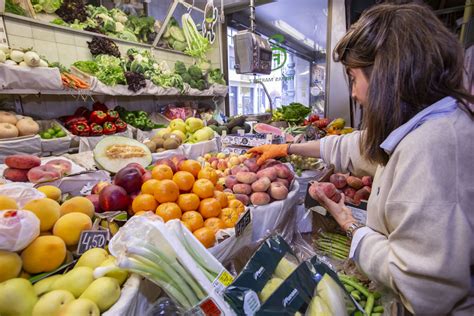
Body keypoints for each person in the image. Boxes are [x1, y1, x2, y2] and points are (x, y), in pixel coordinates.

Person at [249, 3, 474, 314]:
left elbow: (424, 287)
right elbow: (357, 146)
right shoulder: (424, 124)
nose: (353, 93)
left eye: (354, 78)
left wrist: (351, 226)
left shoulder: (433, 150)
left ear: (386, 75)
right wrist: (288, 149)